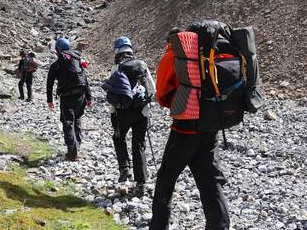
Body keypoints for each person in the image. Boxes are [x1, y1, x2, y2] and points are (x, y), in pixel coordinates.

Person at [150, 28, 230, 230]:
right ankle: (220, 226)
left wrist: (178, 104)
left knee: (166, 181)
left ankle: (158, 227)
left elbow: (161, 95)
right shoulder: (208, 56)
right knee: (210, 183)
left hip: (184, 130)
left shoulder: (173, 56)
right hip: (210, 127)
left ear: (172, 41)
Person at [102, 37, 155, 196]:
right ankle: (141, 184)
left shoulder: (117, 68)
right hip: (141, 112)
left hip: (123, 112)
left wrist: (113, 111)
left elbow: (113, 94)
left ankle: (124, 168)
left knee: (119, 137)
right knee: (138, 144)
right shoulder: (142, 65)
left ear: (117, 52)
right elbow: (152, 89)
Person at [47, 38, 92, 161]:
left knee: (68, 122)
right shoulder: (77, 60)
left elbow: (49, 84)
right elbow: (85, 79)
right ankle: (76, 148)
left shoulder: (56, 65)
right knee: (77, 120)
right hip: (81, 95)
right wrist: (89, 97)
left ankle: (72, 154)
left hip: (67, 97)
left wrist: (49, 100)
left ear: (58, 50)